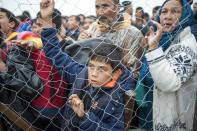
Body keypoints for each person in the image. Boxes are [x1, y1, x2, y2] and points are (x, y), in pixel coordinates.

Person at [40, 27, 135, 131]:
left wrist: (84, 116)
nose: (93, 74)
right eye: (91, 66)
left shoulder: (116, 97)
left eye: (102, 69)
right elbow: (59, 58)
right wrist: (48, 29)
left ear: (115, 74)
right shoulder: (83, 73)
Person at [138, 0, 197, 130]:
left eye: (175, 11)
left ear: (186, 15)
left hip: (174, 117)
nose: (167, 16)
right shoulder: (163, 39)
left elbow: (170, 83)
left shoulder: (188, 43)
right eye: (164, 11)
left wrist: (153, 49)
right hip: (153, 109)